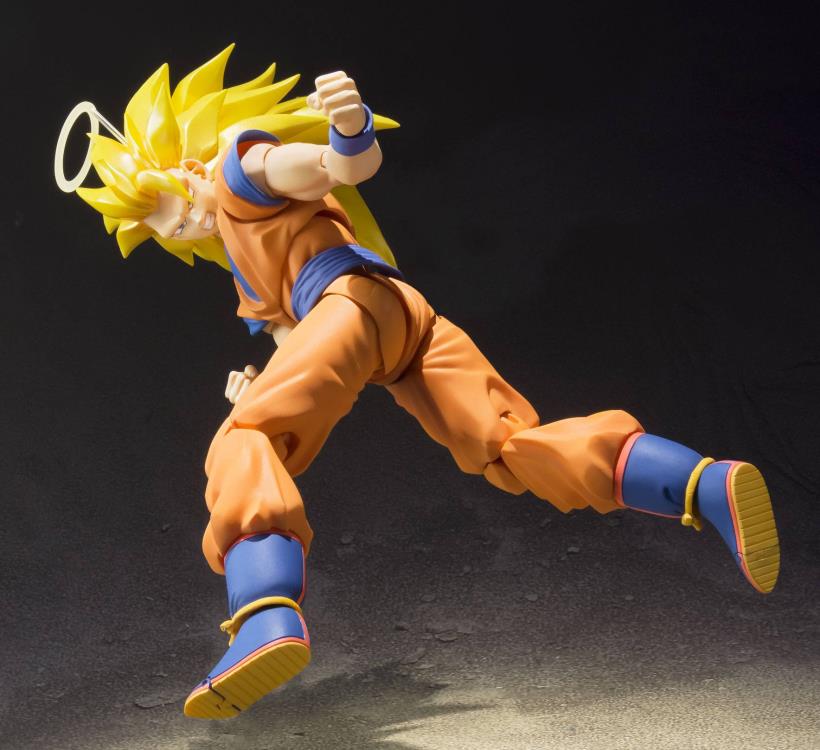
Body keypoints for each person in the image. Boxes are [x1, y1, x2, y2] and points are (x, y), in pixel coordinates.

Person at [59, 46, 780, 720]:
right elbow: (292, 339)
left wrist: (348, 130)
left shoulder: (238, 174)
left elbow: (334, 169)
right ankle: (700, 483)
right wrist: (267, 387)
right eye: (170, 230)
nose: (187, 224)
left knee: (242, 445)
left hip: (349, 306)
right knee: (508, 446)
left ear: (187, 167)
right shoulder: (244, 263)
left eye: (178, 204)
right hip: (404, 323)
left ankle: (264, 618)